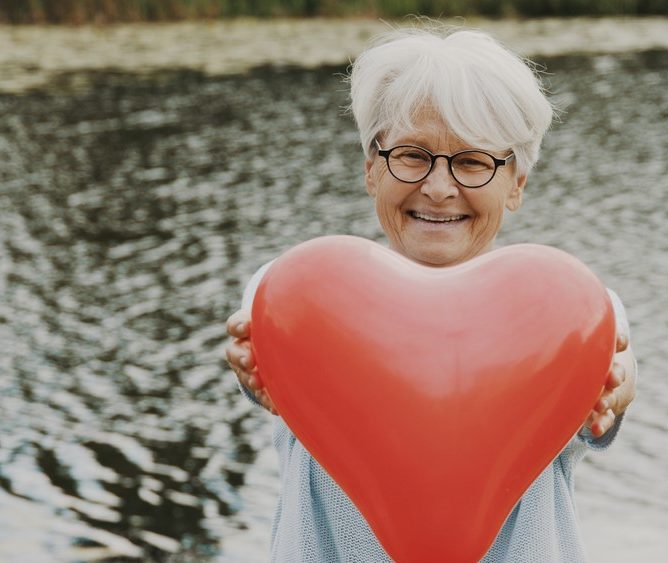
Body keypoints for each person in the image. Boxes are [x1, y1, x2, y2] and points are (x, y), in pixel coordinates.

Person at [225, 25, 637, 562]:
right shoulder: (300, 293)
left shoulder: (573, 308)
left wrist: (615, 389)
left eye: (472, 162)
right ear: (371, 168)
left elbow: (616, 373)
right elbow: (264, 344)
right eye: (412, 156)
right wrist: (255, 376)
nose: (439, 188)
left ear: (516, 184)